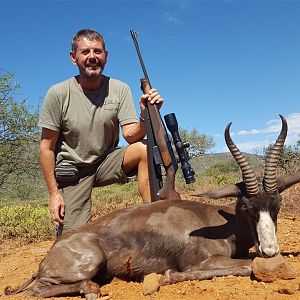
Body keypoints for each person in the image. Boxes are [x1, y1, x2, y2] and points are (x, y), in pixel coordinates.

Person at [39, 29, 164, 235]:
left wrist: (146, 114)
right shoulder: (58, 93)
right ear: (73, 58)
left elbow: (131, 135)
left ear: (105, 56)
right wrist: (54, 194)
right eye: (85, 52)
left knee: (144, 148)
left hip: (106, 162)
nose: (92, 57)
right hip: (74, 172)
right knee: (74, 240)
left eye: (97, 51)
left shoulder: (119, 88)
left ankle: (152, 219)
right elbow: (46, 148)